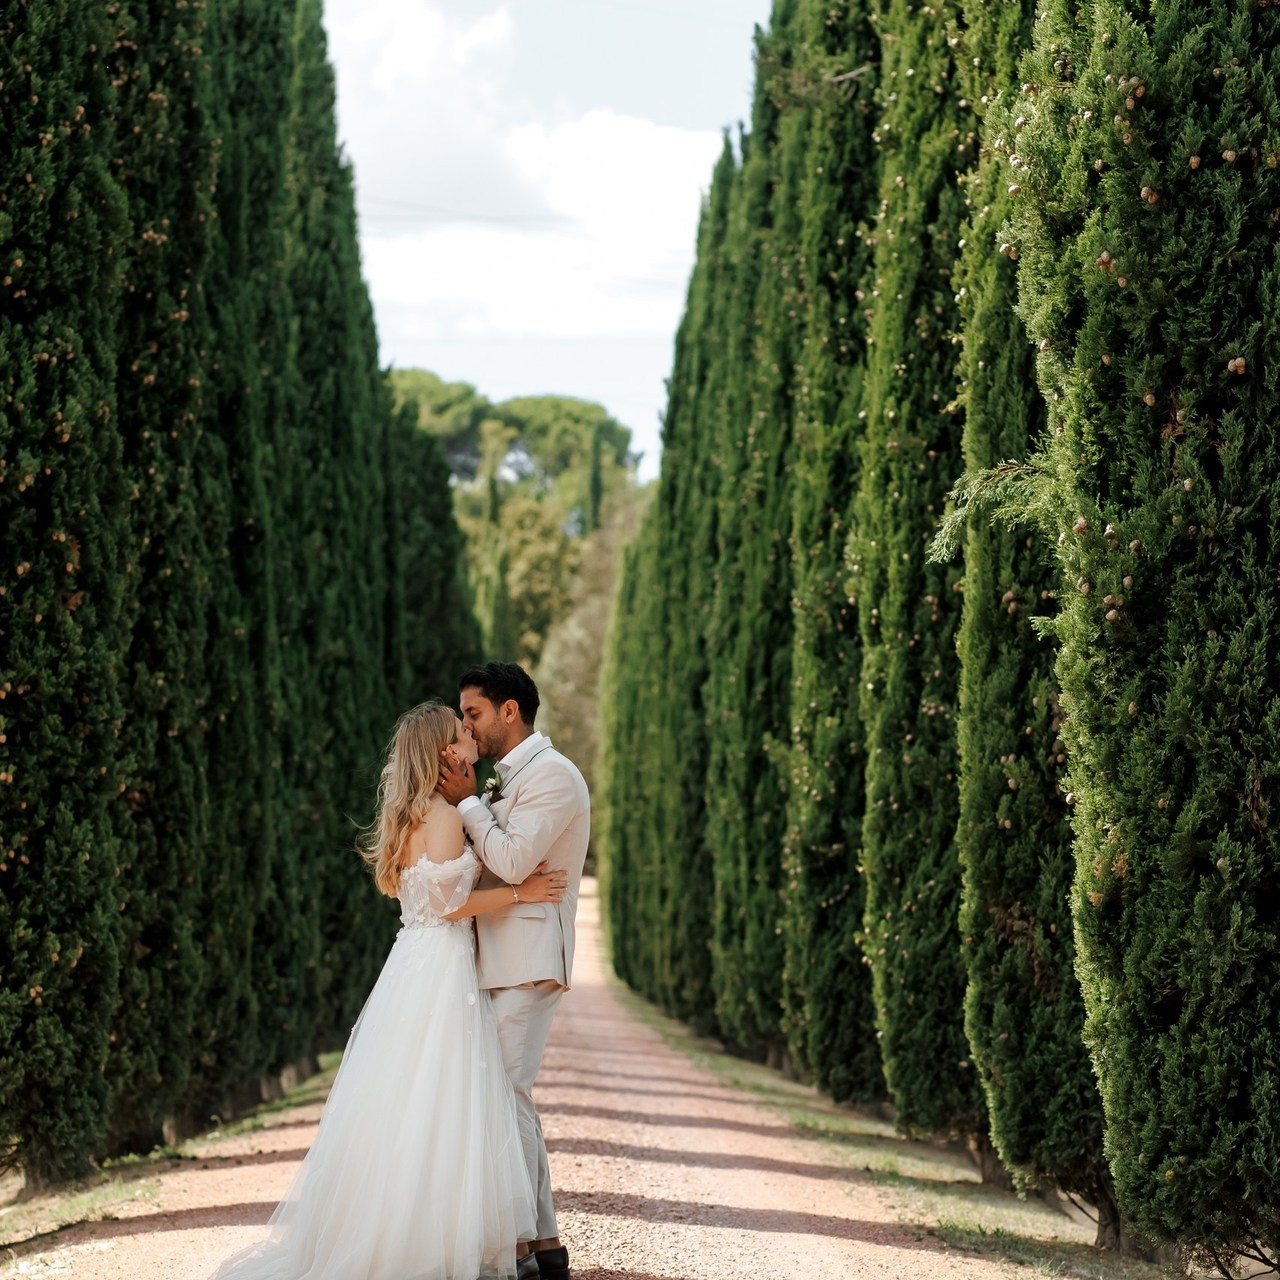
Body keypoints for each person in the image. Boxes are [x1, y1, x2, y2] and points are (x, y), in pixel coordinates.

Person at [209, 702, 567, 1280]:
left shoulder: (409, 814)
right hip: (443, 965)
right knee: (443, 1098)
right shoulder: (446, 817)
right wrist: (521, 894)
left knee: (406, 1097)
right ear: (443, 752)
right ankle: (433, 1242)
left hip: (412, 963)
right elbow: (451, 905)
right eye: (459, 732)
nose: (469, 735)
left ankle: (395, 1230)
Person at [437, 663, 590, 1280]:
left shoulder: (553, 777)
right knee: (509, 1100)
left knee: (506, 1099)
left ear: (509, 711)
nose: (466, 726)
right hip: (495, 955)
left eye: (472, 713)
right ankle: (544, 1244)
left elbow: (510, 858)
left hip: (526, 959)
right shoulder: (508, 779)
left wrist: (469, 803)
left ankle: (523, 1249)